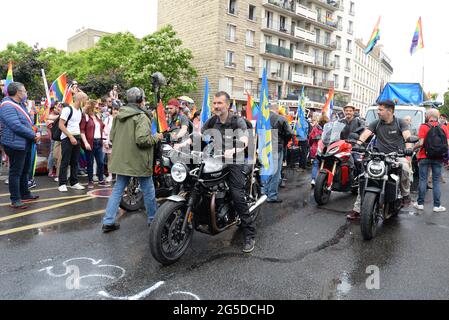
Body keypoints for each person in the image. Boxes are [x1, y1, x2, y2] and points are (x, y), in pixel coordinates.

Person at [102, 87, 163, 233]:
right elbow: (142, 140)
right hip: (138, 160)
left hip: (122, 159)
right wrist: (157, 137)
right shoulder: (141, 116)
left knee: (117, 189)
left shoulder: (118, 116)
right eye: (144, 98)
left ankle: (108, 221)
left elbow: (112, 137)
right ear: (140, 100)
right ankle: (153, 219)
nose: (145, 101)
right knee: (148, 189)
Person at [347, 99, 413, 220]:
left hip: (396, 156)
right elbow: (366, 133)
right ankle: (357, 209)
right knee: (364, 176)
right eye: (378, 109)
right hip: (378, 155)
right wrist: (358, 144)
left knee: (404, 167)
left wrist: (408, 149)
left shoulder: (400, 123)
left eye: (380, 110)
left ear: (390, 111)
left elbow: (407, 137)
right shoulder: (376, 123)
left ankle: (405, 195)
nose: (378, 112)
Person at [0, 82, 40, 208]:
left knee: (25, 170)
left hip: (25, 142)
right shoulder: (7, 105)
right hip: (15, 144)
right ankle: (15, 199)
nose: (25, 93)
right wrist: (33, 135)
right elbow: (16, 126)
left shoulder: (20, 104)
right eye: (24, 91)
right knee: (16, 172)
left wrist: (35, 130)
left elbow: (27, 121)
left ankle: (25, 194)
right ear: (18, 92)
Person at [413, 109, 448, 212]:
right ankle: (437, 206)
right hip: (438, 158)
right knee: (436, 181)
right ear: (437, 116)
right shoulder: (444, 127)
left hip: (424, 156)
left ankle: (420, 204)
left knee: (423, 179)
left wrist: (413, 149)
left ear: (427, 116)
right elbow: (448, 144)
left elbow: (421, 143)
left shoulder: (424, 126)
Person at [262, 103, 293, 203]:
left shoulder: (263, 118)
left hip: (264, 147)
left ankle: (265, 193)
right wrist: (284, 141)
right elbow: (289, 133)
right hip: (276, 146)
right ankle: (272, 195)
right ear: (276, 109)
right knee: (275, 172)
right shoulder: (281, 118)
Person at [58, 93, 87, 192]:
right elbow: (61, 125)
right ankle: (62, 183)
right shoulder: (67, 109)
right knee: (65, 161)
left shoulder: (80, 110)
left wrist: (76, 137)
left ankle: (74, 182)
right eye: (85, 99)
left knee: (75, 161)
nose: (86, 102)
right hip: (67, 137)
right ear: (80, 99)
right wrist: (70, 137)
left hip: (76, 136)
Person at [80, 100, 108, 189]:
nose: (98, 107)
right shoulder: (86, 117)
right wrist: (85, 142)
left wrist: (105, 137)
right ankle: (90, 181)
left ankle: (100, 180)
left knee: (100, 162)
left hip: (99, 142)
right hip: (90, 142)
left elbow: (102, 127)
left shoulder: (97, 116)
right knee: (90, 162)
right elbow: (82, 131)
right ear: (91, 107)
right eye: (96, 106)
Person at [309, 115, 329, 187]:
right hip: (325, 150)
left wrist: (311, 145)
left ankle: (313, 180)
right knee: (325, 166)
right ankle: (323, 181)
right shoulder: (329, 129)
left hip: (316, 149)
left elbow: (310, 138)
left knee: (315, 165)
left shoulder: (315, 128)